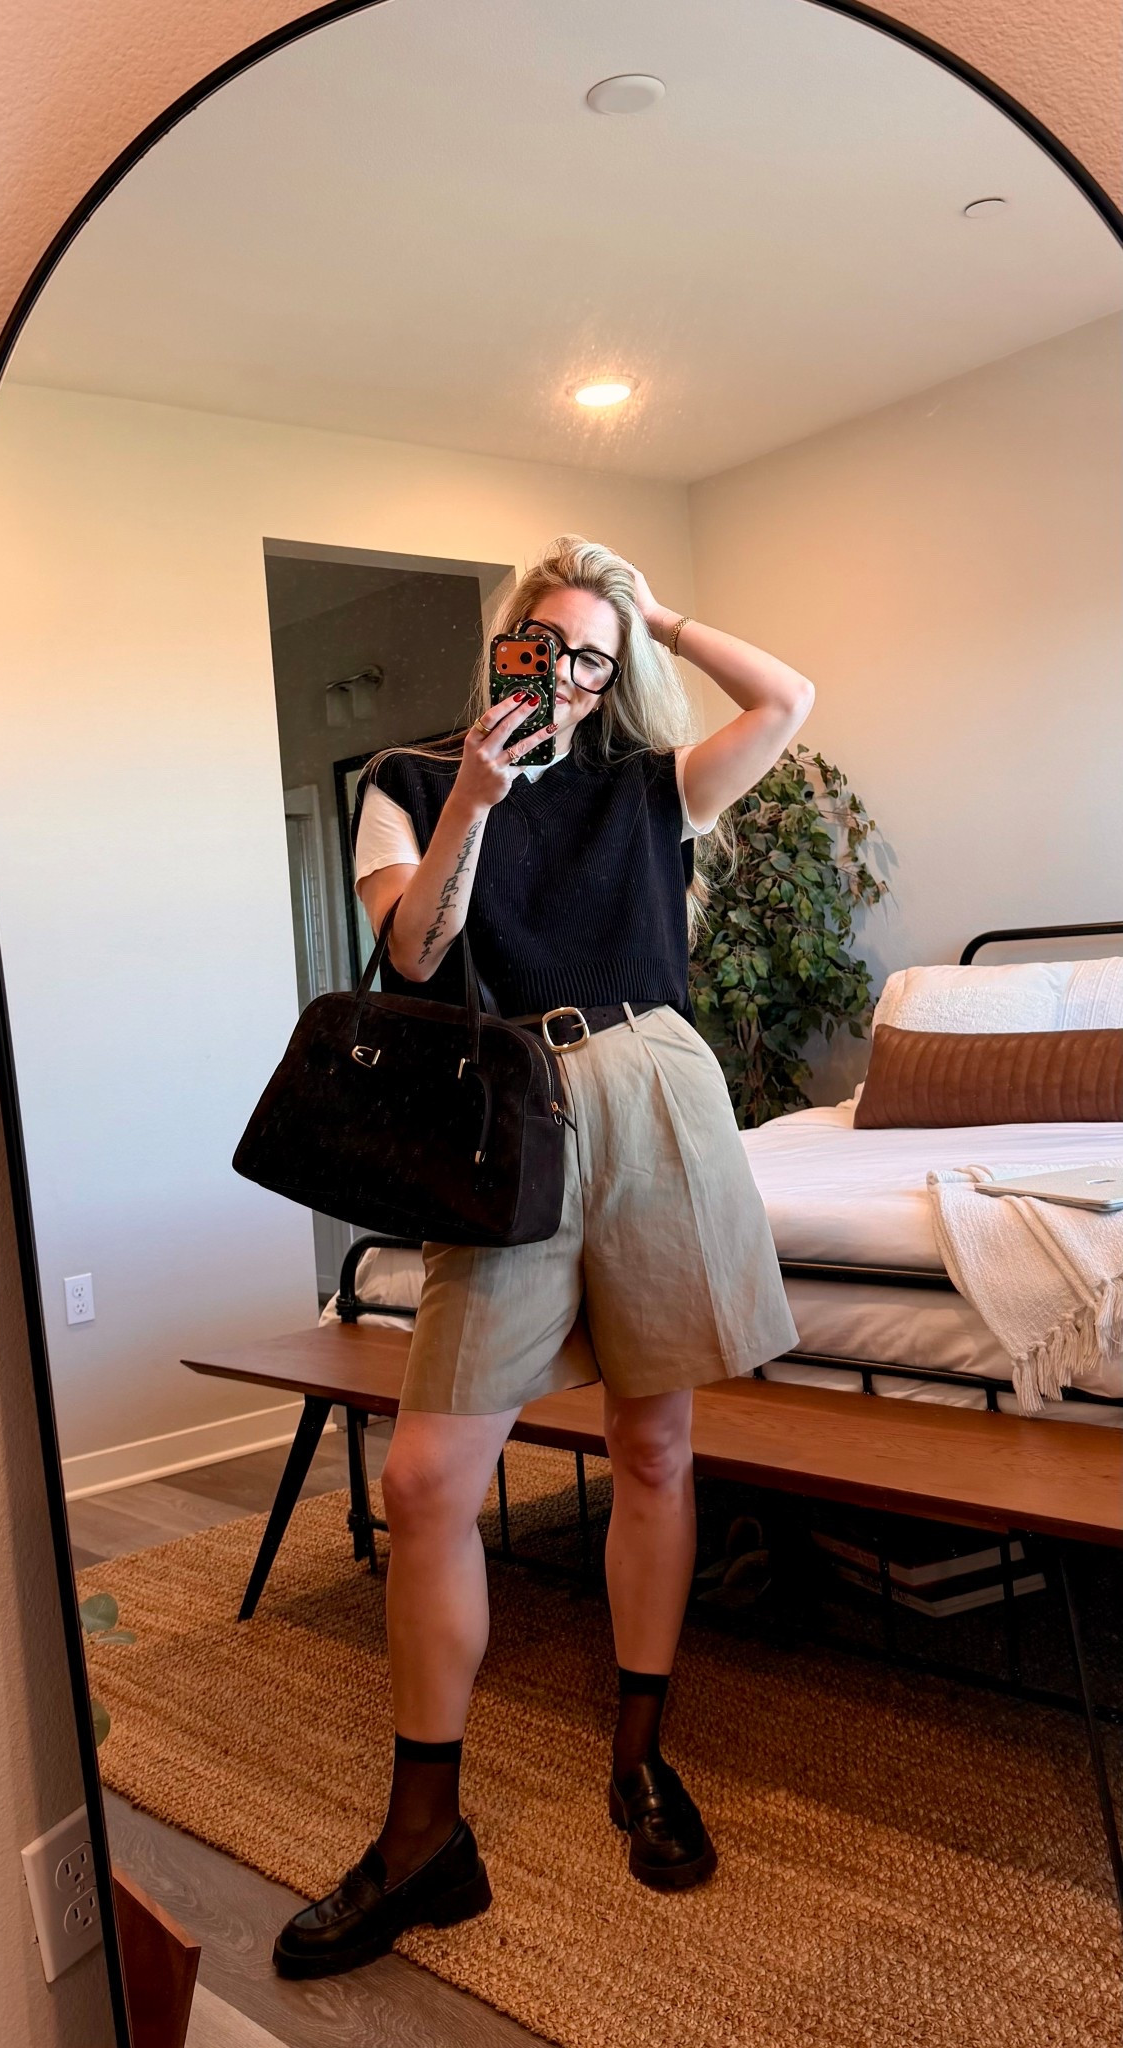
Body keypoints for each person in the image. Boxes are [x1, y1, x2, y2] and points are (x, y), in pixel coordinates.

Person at [273, 535, 813, 1979]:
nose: (567, 677)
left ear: (612, 667)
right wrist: (471, 799)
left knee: (655, 1447)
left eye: (593, 658)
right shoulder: (408, 776)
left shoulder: (650, 788)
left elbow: (788, 701)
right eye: (546, 648)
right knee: (429, 1477)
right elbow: (413, 952)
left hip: (655, 1094)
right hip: (500, 1108)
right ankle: (422, 1834)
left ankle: (641, 1759)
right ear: (505, 646)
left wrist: (662, 611)